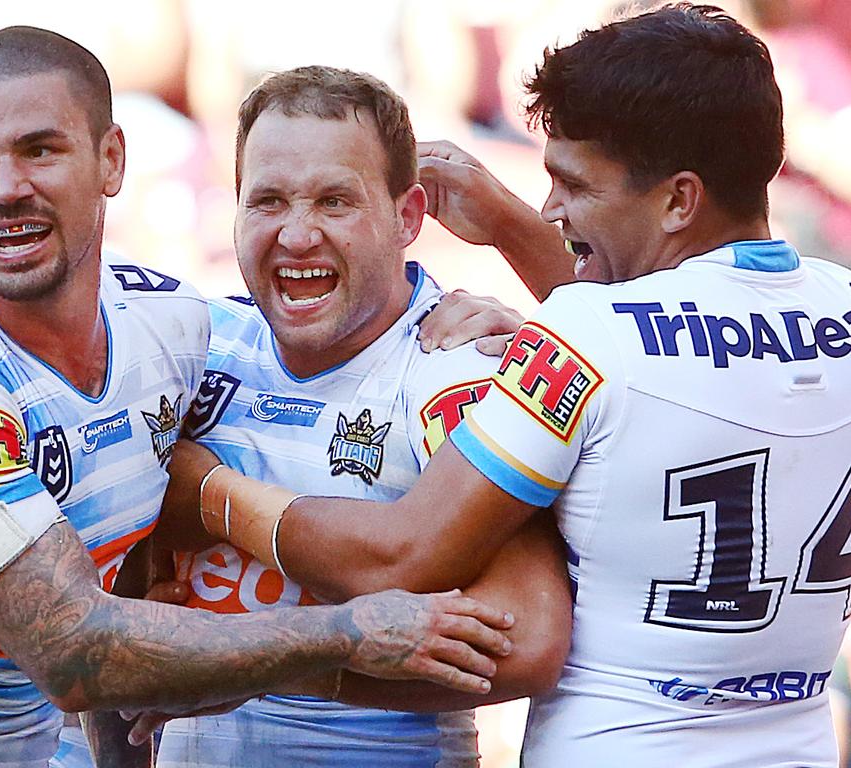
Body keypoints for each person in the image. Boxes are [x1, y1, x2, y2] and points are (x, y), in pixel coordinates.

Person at [167, 4, 851, 766]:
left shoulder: (585, 338)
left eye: (572, 184)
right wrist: (506, 228)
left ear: (678, 199)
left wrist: (209, 494)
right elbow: (670, 354)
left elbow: (404, 558)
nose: (549, 209)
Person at [0, 26, 517, 768]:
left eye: (40, 149)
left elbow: (128, 606)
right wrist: (350, 634)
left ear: (112, 160)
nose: (5, 187)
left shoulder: (178, 328)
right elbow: (76, 651)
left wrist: (519, 329)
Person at [121, 66, 570, 768]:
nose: (297, 236)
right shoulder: (192, 348)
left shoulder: (457, 367)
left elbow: (526, 642)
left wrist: (244, 658)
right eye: (267, 201)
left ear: (408, 217)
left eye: (335, 201)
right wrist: (143, 587)